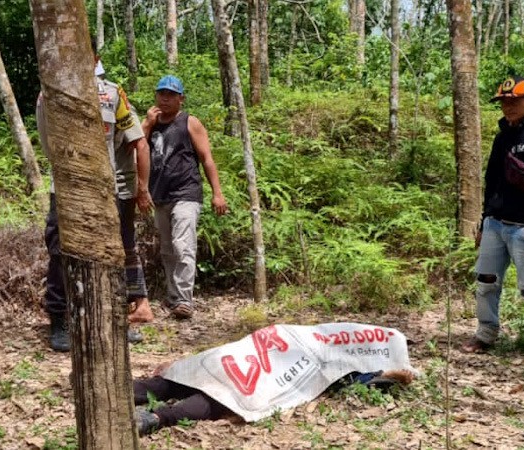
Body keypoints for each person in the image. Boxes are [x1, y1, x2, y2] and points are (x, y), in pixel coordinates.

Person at [37, 57, 154, 352]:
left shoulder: (113, 93)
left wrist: (139, 187)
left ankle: (116, 319)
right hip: (67, 186)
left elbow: (132, 138)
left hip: (107, 188)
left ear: (94, 58)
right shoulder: (49, 94)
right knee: (60, 251)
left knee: (113, 253)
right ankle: (60, 320)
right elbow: (47, 140)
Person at [461, 76, 524, 368]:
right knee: (485, 281)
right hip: (496, 223)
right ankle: (486, 332)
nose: (508, 107)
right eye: (504, 102)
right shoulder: (502, 135)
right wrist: (484, 220)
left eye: (514, 101)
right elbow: (492, 179)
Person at [141, 75, 228, 320]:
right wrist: (147, 124)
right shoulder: (151, 123)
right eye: (161, 94)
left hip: (187, 193)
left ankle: (184, 299)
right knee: (168, 249)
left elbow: (207, 159)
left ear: (181, 98)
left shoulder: (190, 122)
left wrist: (217, 194)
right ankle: (172, 296)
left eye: (170, 95)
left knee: (182, 244)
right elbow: (135, 148)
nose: (165, 99)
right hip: (160, 194)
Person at [133, 362, 414, 436]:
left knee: (218, 399)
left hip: (261, 383)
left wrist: (390, 374)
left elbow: (356, 380)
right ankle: (127, 392)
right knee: (174, 381)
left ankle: (156, 418)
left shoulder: (341, 371)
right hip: (244, 365)